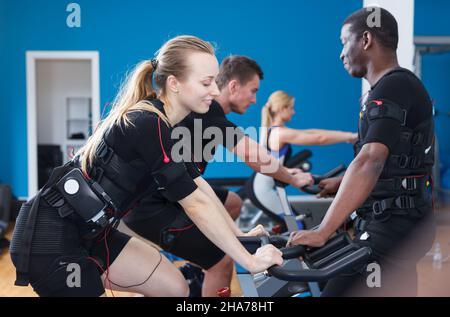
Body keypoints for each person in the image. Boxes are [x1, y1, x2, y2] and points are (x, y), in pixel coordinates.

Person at [9, 35, 284, 297]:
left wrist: (240, 236)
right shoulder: (146, 122)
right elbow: (195, 205)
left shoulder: (166, 125)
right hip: (49, 239)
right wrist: (249, 260)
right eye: (206, 83)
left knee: (174, 288)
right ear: (175, 84)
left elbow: (198, 188)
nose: (215, 90)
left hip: (92, 233)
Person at [123, 55, 313, 296]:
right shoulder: (209, 110)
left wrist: (237, 235)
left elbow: (197, 182)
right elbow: (253, 156)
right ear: (233, 86)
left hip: (167, 196)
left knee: (232, 203)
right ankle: (204, 271)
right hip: (152, 207)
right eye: (252, 91)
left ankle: (197, 271)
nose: (255, 100)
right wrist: (293, 179)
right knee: (223, 260)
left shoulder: (208, 113)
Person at [288, 7, 436, 296]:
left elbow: (371, 160)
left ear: (366, 39)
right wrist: (342, 184)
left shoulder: (393, 86)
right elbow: (393, 162)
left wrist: (323, 231)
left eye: (344, 42)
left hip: (391, 227)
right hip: (400, 223)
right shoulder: (392, 87)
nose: (341, 54)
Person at [260, 90, 357, 163]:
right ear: (282, 109)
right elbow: (319, 139)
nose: (294, 112)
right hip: (264, 188)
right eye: (291, 108)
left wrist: (347, 135)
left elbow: (311, 132)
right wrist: (349, 137)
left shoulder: (277, 130)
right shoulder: (280, 133)